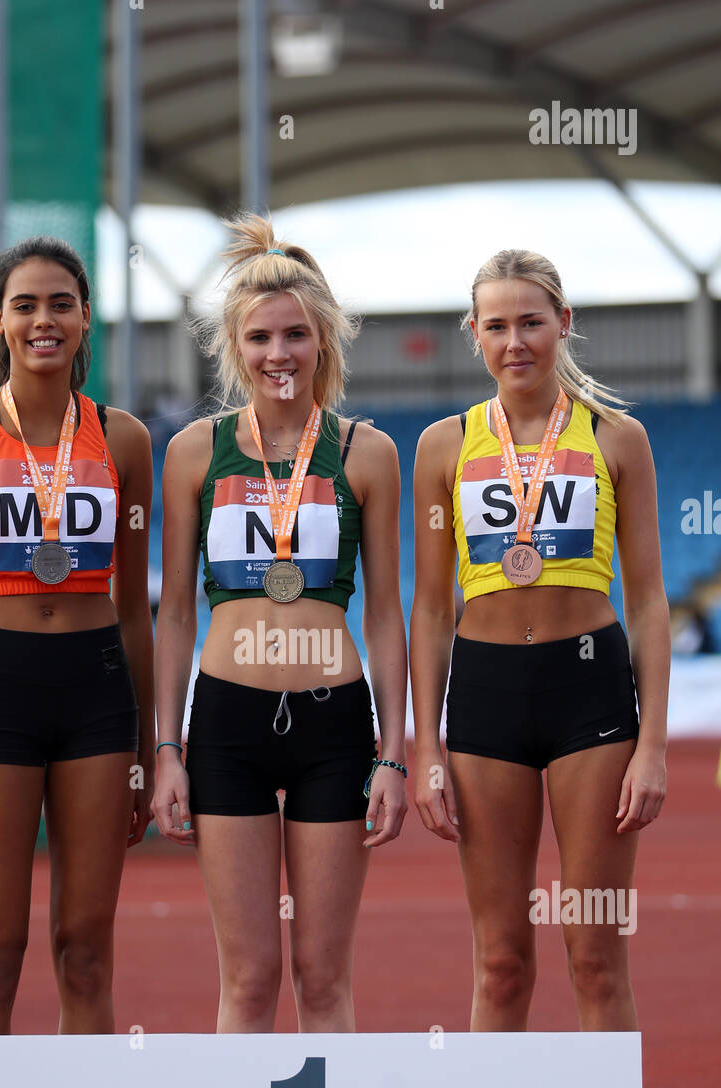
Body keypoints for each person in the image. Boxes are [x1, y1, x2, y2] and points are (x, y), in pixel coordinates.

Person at [153, 213, 407, 1033]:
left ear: (324, 341)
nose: (279, 354)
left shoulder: (368, 453)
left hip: (336, 723)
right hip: (227, 720)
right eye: (260, 337)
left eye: (297, 334)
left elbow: (387, 614)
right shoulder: (196, 450)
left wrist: (395, 754)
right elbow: (177, 614)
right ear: (235, 345)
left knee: (323, 977)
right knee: (251, 977)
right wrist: (166, 750)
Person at [0, 236, 154, 1086]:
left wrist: (146, 750)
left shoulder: (122, 440)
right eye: (25, 305)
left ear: (85, 318)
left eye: (60, 303)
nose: (43, 320)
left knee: (85, 950)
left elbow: (136, 615)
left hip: (97, 695)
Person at [411, 248, 669, 1031]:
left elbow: (650, 599)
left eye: (531, 322)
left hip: (588, 689)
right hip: (486, 696)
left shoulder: (618, 439)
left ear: (564, 323)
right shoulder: (443, 445)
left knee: (593, 951)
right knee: (500, 960)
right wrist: (426, 747)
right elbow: (428, 608)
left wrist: (652, 744)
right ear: (474, 333)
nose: (515, 341)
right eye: (496, 326)